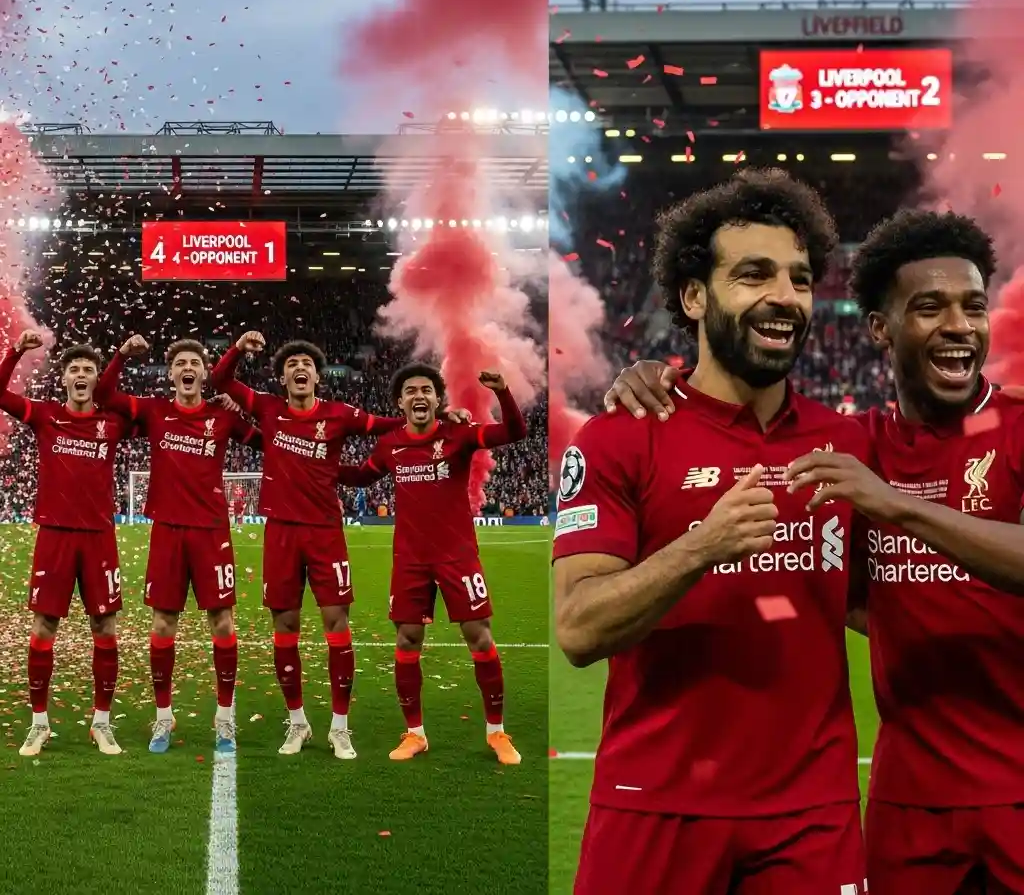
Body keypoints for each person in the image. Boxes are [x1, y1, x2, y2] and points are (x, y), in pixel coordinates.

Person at [602, 210, 1024, 894]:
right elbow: (852, 592)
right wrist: (653, 374)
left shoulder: (1015, 425)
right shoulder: (857, 444)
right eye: (931, 307)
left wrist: (898, 506)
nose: (959, 325)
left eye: (974, 307)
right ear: (880, 330)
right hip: (906, 801)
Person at [552, 168, 870, 895]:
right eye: (753, 274)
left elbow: (881, 602)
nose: (784, 298)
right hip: (654, 807)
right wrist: (701, 546)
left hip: (811, 815)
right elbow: (576, 629)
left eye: (798, 278)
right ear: (694, 297)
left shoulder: (847, 443)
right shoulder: (619, 440)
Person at [210, 333, 470, 759]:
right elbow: (221, 380)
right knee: (286, 628)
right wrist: (238, 348)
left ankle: (340, 727)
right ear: (281, 377)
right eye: (291, 363)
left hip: (326, 533)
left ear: (316, 376)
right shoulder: (268, 409)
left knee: (336, 624)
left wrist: (444, 421)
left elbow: (390, 426)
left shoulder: (339, 415)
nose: (300, 369)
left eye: (307, 364)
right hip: (281, 533)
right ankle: (297, 723)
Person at [338, 362, 527, 765]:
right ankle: (415, 734)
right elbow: (359, 477)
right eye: (411, 391)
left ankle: (497, 733)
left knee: (480, 636)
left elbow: (515, 432)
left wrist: (503, 392)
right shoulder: (390, 444)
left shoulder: (458, 435)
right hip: (410, 561)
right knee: (407, 640)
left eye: (427, 390)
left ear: (438, 400)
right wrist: (314, 463)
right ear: (399, 402)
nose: (419, 395)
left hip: (458, 557)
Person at [96, 335, 262, 755]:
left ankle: (224, 719)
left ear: (205, 373)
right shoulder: (154, 411)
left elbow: (267, 440)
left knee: (222, 622)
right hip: (168, 531)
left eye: (195, 362)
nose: (188, 368)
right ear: (171, 374)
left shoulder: (222, 417)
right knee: (163, 624)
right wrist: (120, 356)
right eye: (180, 363)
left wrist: (239, 406)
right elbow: (104, 394)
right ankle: (163, 717)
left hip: (211, 531)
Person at [2, 332, 132, 757]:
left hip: (99, 538)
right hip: (54, 537)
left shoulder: (113, 423)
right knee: (43, 629)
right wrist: (17, 350)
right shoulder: (45, 416)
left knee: (104, 629)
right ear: (63, 380)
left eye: (87, 370)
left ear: (97, 379)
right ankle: (39, 724)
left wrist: (117, 357)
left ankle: (101, 723)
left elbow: (146, 408)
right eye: (73, 370)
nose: (80, 375)